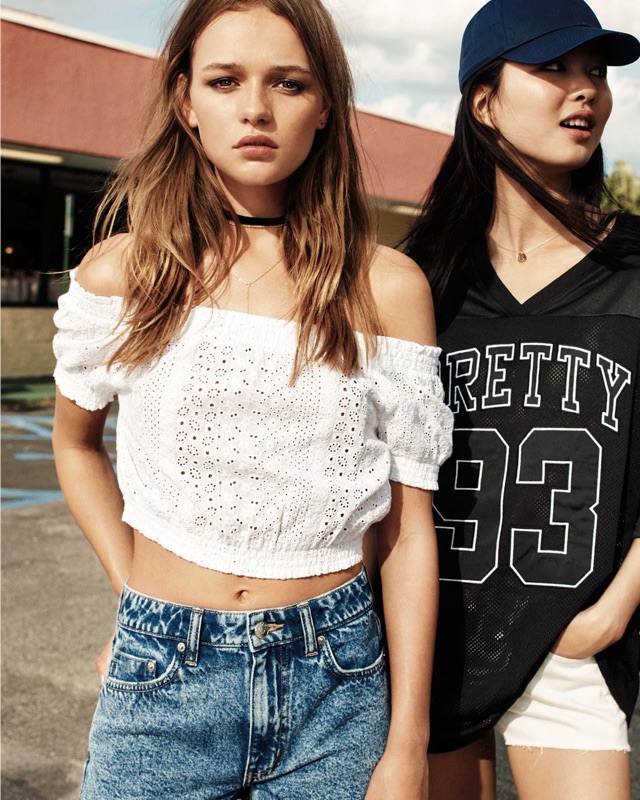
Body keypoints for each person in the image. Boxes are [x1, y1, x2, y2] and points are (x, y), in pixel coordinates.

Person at [51, 1, 453, 798]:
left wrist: (409, 743)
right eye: (226, 80)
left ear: (327, 107)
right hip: (160, 677)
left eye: (289, 83)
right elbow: (74, 443)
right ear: (185, 102)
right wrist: (135, 597)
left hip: (336, 683)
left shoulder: (385, 286)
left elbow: (409, 530)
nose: (256, 108)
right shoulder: (125, 273)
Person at [403, 0, 640, 798]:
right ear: (484, 101)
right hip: (430, 637)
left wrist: (607, 617)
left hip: (571, 643)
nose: (584, 90)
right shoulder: (423, 273)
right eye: (553, 68)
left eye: (596, 72)